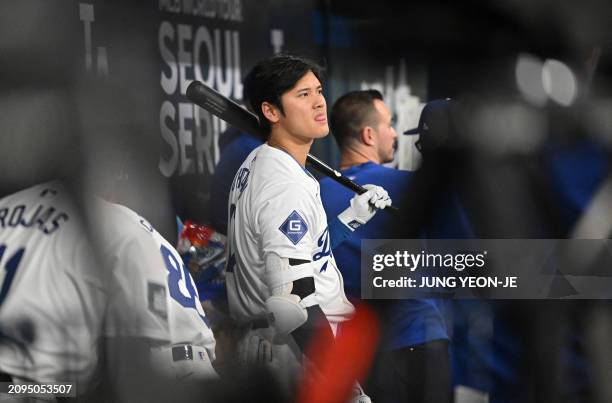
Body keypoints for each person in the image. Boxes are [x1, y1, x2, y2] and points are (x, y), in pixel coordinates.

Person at [224, 54, 391, 401]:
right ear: (271, 112)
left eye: (318, 91)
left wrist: (350, 218)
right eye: (302, 95)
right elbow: (293, 303)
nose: (318, 102)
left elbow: (305, 255)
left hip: (274, 347)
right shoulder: (283, 183)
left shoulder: (261, 163)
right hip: (295, 355)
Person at [319, 91, 453, 403]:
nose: (394, 133)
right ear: (368, 134)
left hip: (362, 350)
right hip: (416, 341)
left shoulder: (317, 193)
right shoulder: (408, 186)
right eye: (389, 124)